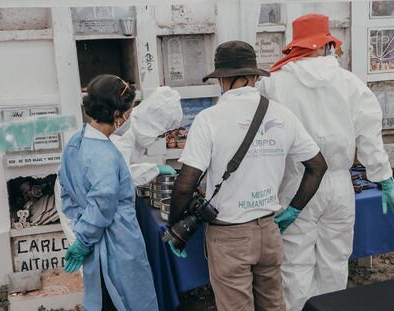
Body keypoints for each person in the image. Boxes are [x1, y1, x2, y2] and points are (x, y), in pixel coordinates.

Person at [168, 40, 328, 311]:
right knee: (273, 305)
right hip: (269, 231)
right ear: (254, 76)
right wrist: (293, 210)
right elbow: (318, 166)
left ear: (223, 80)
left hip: (229, 236)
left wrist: (175, 228)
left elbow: (185, 185)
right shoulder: (282, 114)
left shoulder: (210, 119)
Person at [257, 14, 394, 311]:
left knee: (295, 265)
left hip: (296, 184)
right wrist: (384, 177)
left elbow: (261, 139)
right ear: (327, 44)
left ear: (296, 46)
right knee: (335, 261)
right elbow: (369, 134)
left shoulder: (275, 84)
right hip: (338, 183)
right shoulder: (349, 82)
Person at [58, 74, 158, 311]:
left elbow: (66, 192)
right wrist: (84, 239)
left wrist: (80, 229)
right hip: (118, 244)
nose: (129, 118)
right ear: (117, 114)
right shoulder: (105, 155)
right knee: (126, 300)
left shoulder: (75, 142)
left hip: (92, 239)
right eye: (129, 113)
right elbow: (102, 205)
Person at [55, 86, 183, 243]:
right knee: (88, 248)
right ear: (154, 124)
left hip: (91, 199)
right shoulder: (122, 133)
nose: (160, 137)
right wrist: (154, 169)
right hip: (80, 201)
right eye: (161, 132)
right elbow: (118, 175)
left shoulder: (134, 128)